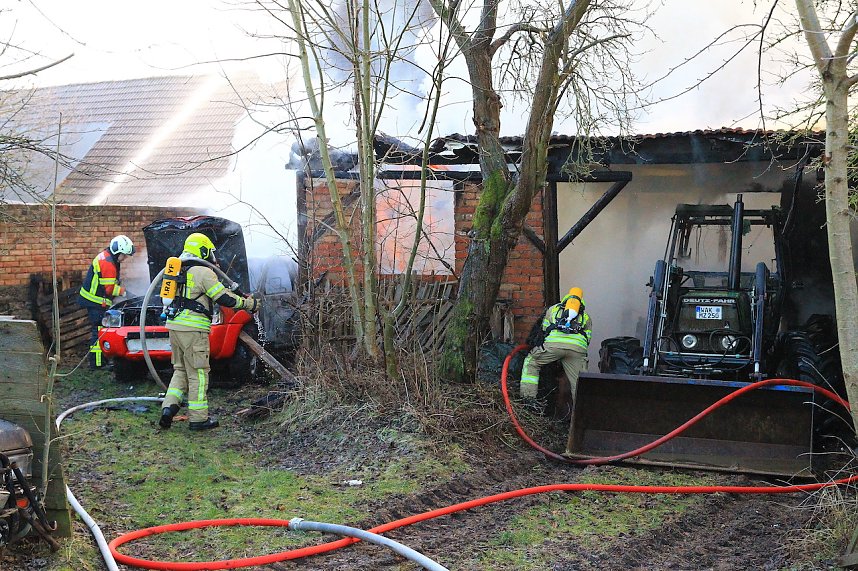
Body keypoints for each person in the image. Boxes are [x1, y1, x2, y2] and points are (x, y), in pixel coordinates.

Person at [158, 232, 259, 432]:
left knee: (180, 370)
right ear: (203, 250)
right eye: (210, 251)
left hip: (174, 327)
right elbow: (224, 298)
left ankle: (168, 409)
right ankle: (198, 419)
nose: (213, 256)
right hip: (194, 330)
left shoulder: (177, 269)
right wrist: (247, 303)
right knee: (199, 373)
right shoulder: (203, 272)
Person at [519, 287, 592, 414]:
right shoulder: (586, 317)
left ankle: (528, 401)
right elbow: (587, 339)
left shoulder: (553, 310)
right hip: (576, 351)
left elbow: (544, 330)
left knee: (531, 362)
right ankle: (582, 415)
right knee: (580, 382)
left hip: (553, 347)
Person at [78, 235, 136, 369]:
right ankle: (97, 364)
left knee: (98, 330)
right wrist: (124, 292)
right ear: (118, 251)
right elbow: (109, 289)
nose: (125, 258)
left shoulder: (107, 257)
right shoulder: (108, 263)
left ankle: (99, 361)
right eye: (125, 255)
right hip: (96, 301)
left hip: (94, 299)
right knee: (98, 331)